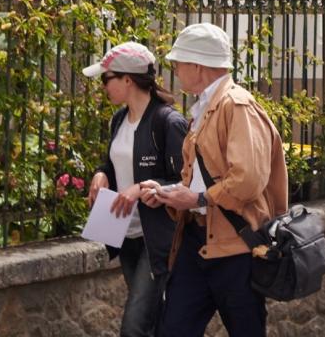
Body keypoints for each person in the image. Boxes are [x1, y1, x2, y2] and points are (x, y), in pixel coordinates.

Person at [141, 23, 286, 337]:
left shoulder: (237, 105)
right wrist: (169, 194)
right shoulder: (206, 107)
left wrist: (196, 200)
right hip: (198, 242)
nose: (176, 69)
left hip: (236, 247)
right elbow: (197, 179)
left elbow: (248, 179)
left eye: (179, 63)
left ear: (198, 65)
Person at [86, 42, 190, 337]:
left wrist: (141, 188)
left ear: (127, 79)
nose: (103, 86)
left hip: (156, 239)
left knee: (133, 327)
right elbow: (114, 163)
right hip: (125, 236)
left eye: (107, 79)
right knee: (150, 322)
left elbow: (188, 182)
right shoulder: (119, 120)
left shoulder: (167, 122)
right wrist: (101, 174)